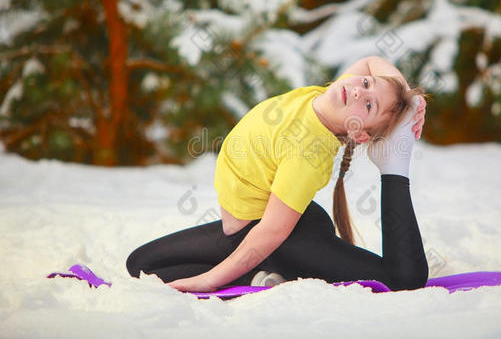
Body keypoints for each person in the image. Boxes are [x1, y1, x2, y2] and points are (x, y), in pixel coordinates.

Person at [126, 55, 429, 292]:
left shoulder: (308, 151)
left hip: (283, 239)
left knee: (401, 279)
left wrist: (210, 280)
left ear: (360, 134)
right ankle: (264, 273)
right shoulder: (329, 98)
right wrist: (408, 99)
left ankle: (393, 168)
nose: (357, 90)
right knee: (140, 264)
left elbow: (270, 233)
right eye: (365, 83)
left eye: (369, 104)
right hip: (278, 225)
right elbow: (372, 62)